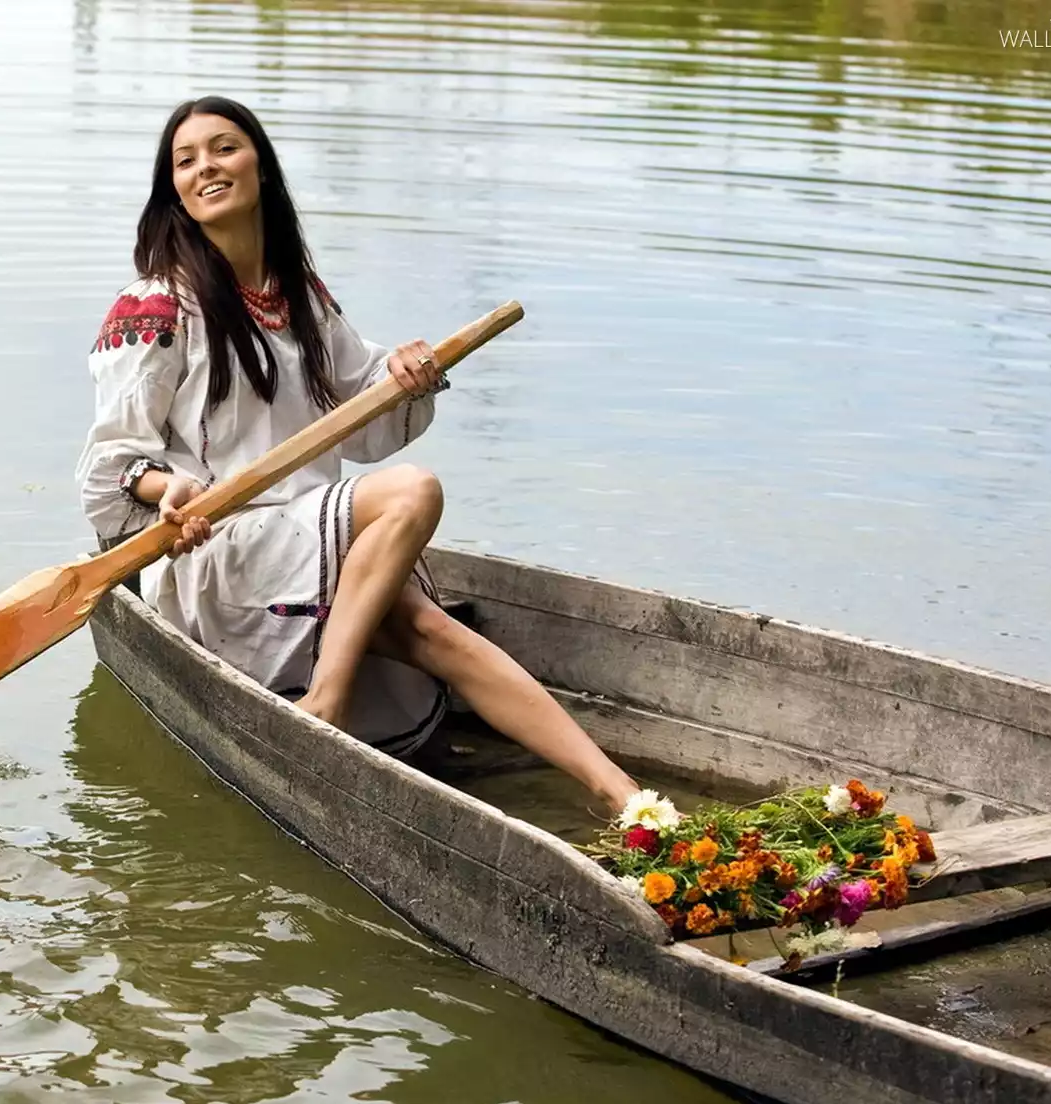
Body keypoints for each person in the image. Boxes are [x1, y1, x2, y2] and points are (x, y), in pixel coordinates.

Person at [74, 96, 644, 815]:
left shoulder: (298, 297)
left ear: (260, 166)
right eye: (185, 161)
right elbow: (108, 466)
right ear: (175, 195)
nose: (206, 168)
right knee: (411, 492)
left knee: (433, 630)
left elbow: (366, 420)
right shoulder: (156, 306)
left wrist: (407, 375)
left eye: (224, 148)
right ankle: (329, 696)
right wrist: (166, 490)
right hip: (215, 554)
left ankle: (627, 797)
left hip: (309, 541)